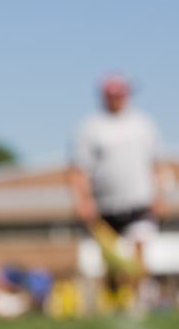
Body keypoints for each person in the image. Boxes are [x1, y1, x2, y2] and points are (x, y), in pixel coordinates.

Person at [70, 74, 168, 241]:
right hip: (103, 204)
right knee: (112, 259)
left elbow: (157, 164)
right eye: (112, 95)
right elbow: (78, 169)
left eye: (120, 94)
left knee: (139, 247)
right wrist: (83, 201)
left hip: (139, 201)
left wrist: (161, 197)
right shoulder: (90, 126)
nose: (116, 99)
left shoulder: (143, 124)